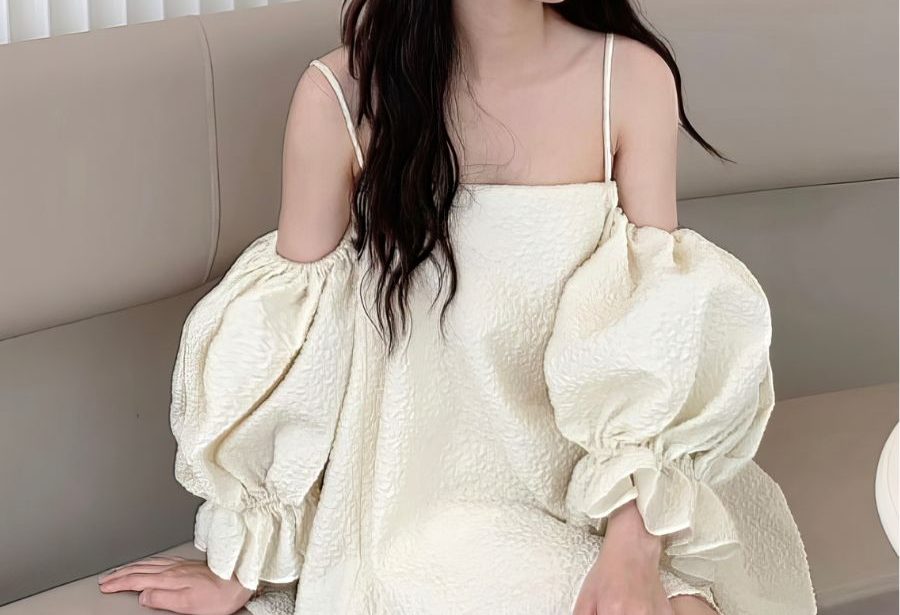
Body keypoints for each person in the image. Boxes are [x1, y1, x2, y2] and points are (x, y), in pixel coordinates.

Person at [98, 1, 817, 614]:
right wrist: (249, 551)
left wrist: (634, 545)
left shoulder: (628, 78)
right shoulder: (343, 96)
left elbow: (657, 330)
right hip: (422, 506)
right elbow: (295, 345)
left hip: (602, 490)